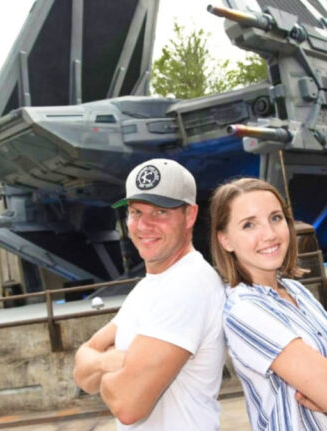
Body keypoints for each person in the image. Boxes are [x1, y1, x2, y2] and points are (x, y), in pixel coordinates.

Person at [73, 159, 226, 429]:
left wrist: (106, 369)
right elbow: (81, 372)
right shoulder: (149, 286)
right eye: (136, 212)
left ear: (190, 215)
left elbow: (127, 404)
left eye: (160, 212)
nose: (144, 225)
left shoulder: (188, 284)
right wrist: (112, 361)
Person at [210, 178, 327, 430]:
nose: (270, 234)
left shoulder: (296, 290)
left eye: (276, 218)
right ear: (225, 240)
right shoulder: (244, 311)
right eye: (249, 225)